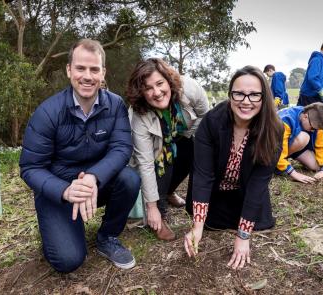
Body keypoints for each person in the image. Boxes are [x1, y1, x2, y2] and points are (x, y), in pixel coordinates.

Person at [19, 39, 140, 273]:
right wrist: (65, 190)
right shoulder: (47, 112)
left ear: (103, 73)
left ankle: (107, 237)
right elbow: (30, 167)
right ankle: (56, 224)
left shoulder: (115, 105)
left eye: (94, 69)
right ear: (68, 70)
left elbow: (121, 148)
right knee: (68, 260)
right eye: (80, 68)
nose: (87, 76)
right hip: (59, 189)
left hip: (95, 183)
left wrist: (94, 177)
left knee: (129, 179)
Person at [184, 66, 283, 270]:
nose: (246, 101)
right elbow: (203, 175)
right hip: (214, 191)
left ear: (264, 97)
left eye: (254, 95)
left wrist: (243, 236)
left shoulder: (274, 129)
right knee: (208, 224)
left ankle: (242, 221)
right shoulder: (211, 122)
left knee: (260, 223)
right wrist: (197, 226)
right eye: (238, 94)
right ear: (230, 95)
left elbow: (259, 182)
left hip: (246, 190)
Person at [127, 58, 209, 241]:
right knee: (162, 160)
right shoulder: (138, 116)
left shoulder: (190, 89)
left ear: (168, 80)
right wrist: (152, 208)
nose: (156, 92)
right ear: (141, 92)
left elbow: (206, 116)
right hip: (155, 143)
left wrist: (188, 135)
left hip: (182, 132)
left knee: (190, 152)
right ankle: (159, 213)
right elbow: (146, 164)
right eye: (148, 88)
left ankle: (170, 191)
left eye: (159, 83)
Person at [276, 102, 323, 183]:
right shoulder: (285, 120)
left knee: (316, 166)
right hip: (272, 150)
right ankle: (277, 166)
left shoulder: (314, 121)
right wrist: (293, 173)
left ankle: (285, 160)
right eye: (312, 128)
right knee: (304, 137)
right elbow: (277, 149)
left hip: (293, 147)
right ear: (305, 117)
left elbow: (322, 144)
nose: (314, 131)